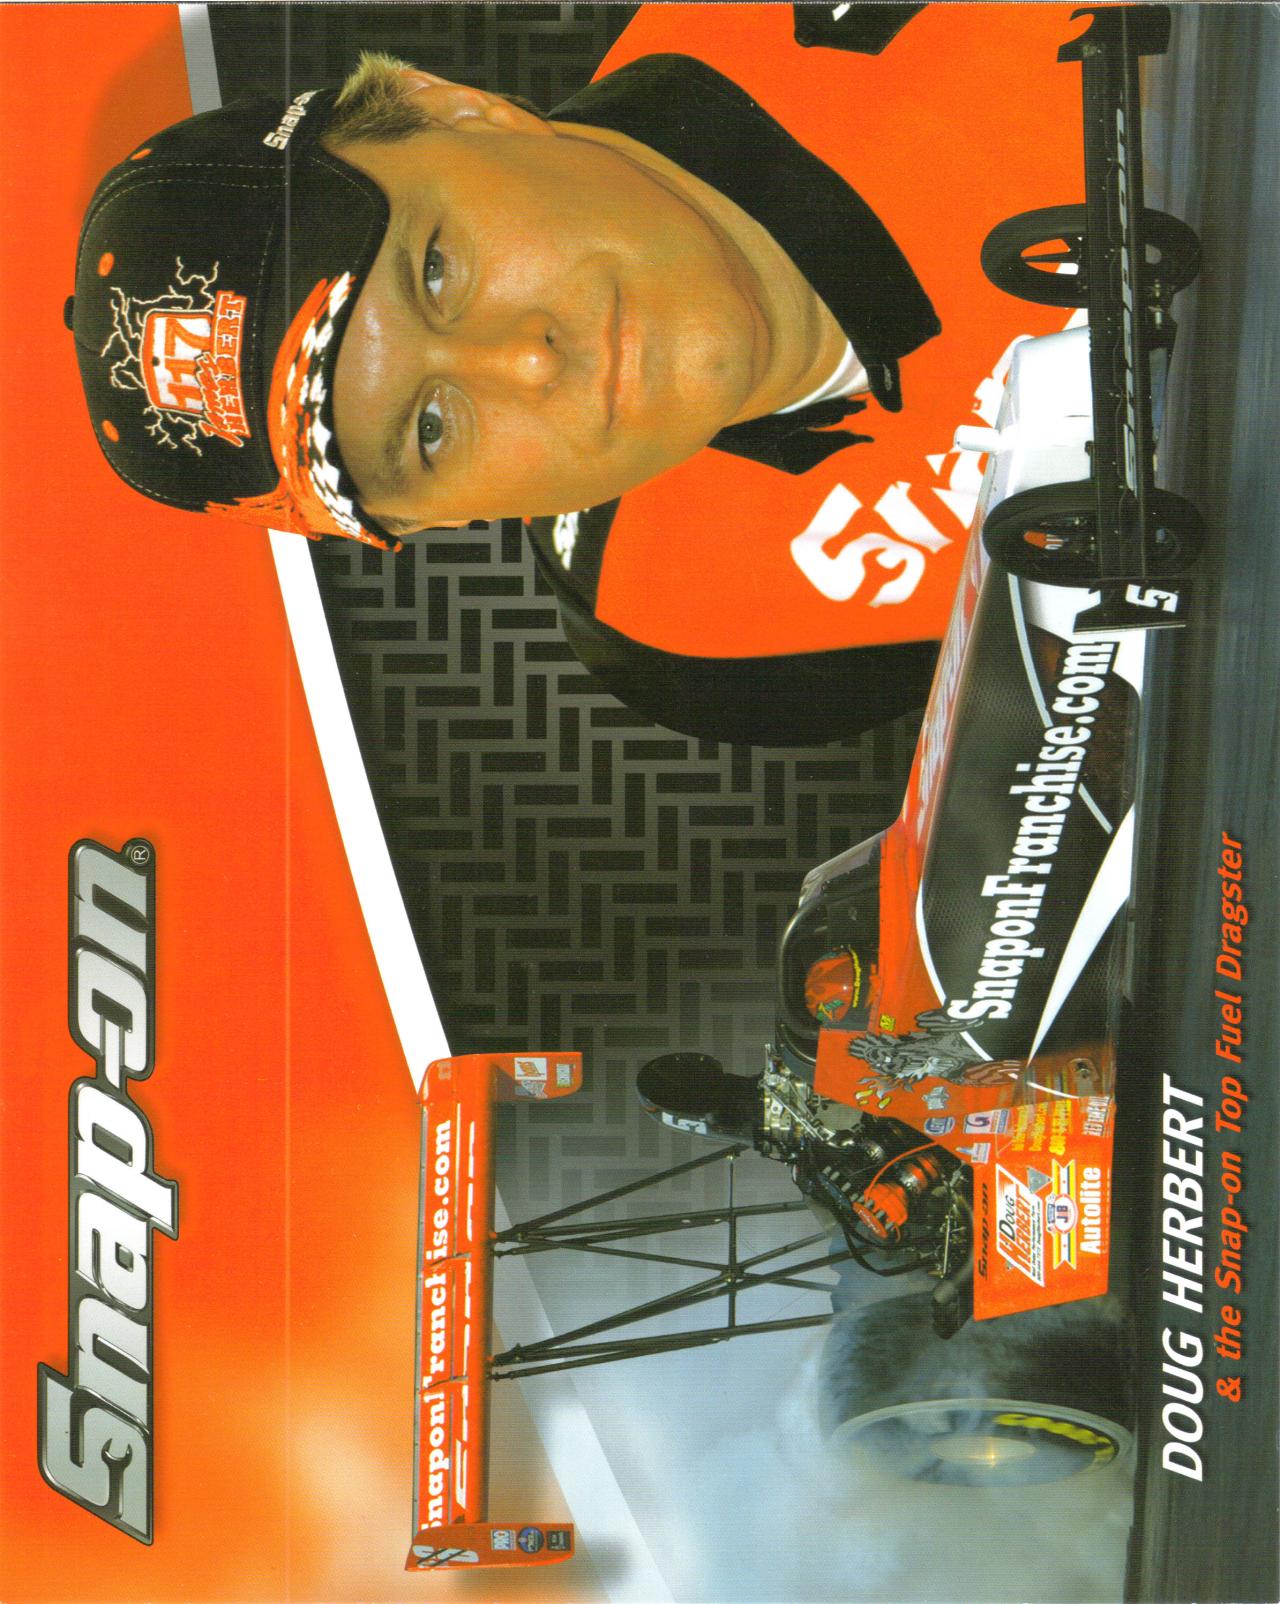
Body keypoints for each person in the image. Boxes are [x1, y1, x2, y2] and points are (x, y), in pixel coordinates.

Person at [67, 3, 1081, 743]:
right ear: (433, 524)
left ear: (459, 110)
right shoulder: (694, 639)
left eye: (436, 269)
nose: (523, 358)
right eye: (431, 429)